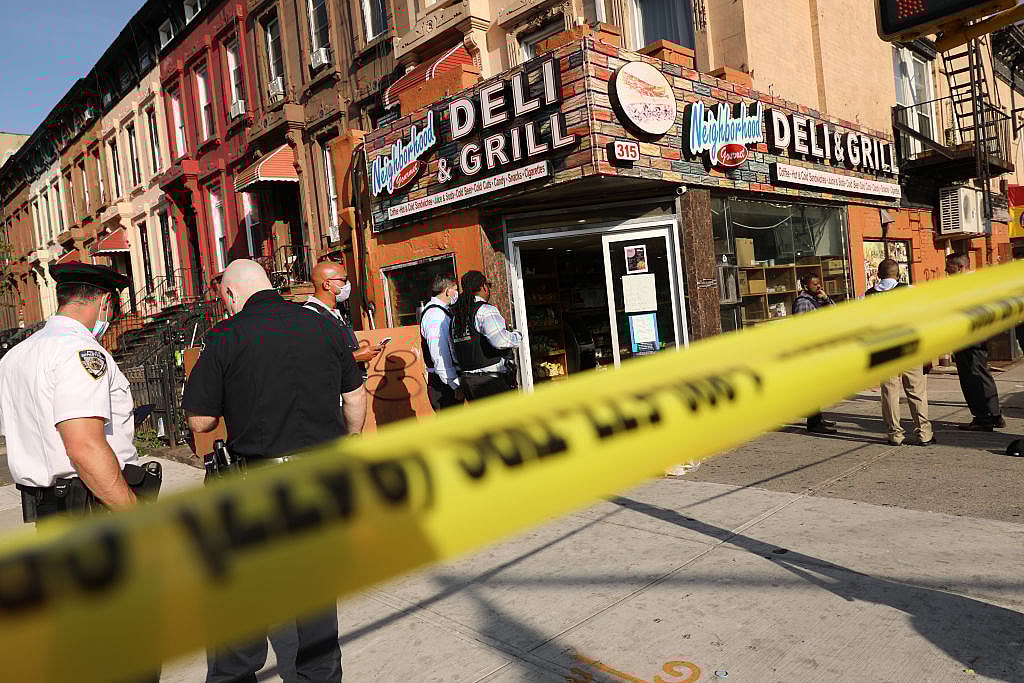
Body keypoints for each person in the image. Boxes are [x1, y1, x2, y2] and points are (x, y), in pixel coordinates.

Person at [182, 259, 365, 683]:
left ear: (230, 295)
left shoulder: (226, 336)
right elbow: (355, 397)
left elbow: (199, 422)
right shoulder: (324, 324)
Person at [0, 262, 159, 681]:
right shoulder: (81, 353)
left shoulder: (18, 355)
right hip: (94, 512)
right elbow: (85, 447)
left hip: (49, 514)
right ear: (104, 301)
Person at [866, 259, 934, 446]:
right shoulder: (910, 291)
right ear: (898, 274)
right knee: (916, 391)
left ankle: (895, 434)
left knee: (889, 393)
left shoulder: (868, 296)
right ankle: (924, 433)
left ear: (878, 275)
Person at [946, 253, 1004, 431]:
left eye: (949, 267)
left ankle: (983, 418)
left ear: (960, 267)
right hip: (978, 334)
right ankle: (994, 415)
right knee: (982, 373)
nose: (946, 270)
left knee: (971, 376)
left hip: (968, 335)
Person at [304, 259, 384, 380]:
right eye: (343, 280)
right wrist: (356, 357)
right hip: (333, 392)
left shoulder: (335, 313)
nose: (347, 284)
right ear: (327, 284)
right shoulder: (309, 316)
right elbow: (312, 361)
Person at [449, 270, 522, 401]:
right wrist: (517, 335)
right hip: (490, 382)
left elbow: (454, 353)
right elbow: (501, 342)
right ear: (484, 287)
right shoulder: (485, 310)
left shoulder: (457, 317)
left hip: (469, 382)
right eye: (489, 285)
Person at [792, 273, 838, 434]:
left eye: (819, 283)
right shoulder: (803, 303)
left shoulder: (816, 300)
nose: (818, 286)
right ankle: (813, 423)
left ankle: (818, 419)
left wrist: (825, 298)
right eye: (815, 284)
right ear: (805, 286)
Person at [420, 273, 461, 411]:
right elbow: (439, 352)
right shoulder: (435, 314)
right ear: (448, 291)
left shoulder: (441, 311)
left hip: (446, 381)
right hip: (444, 384)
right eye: (455, 289)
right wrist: (454, 383)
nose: (457, 293)